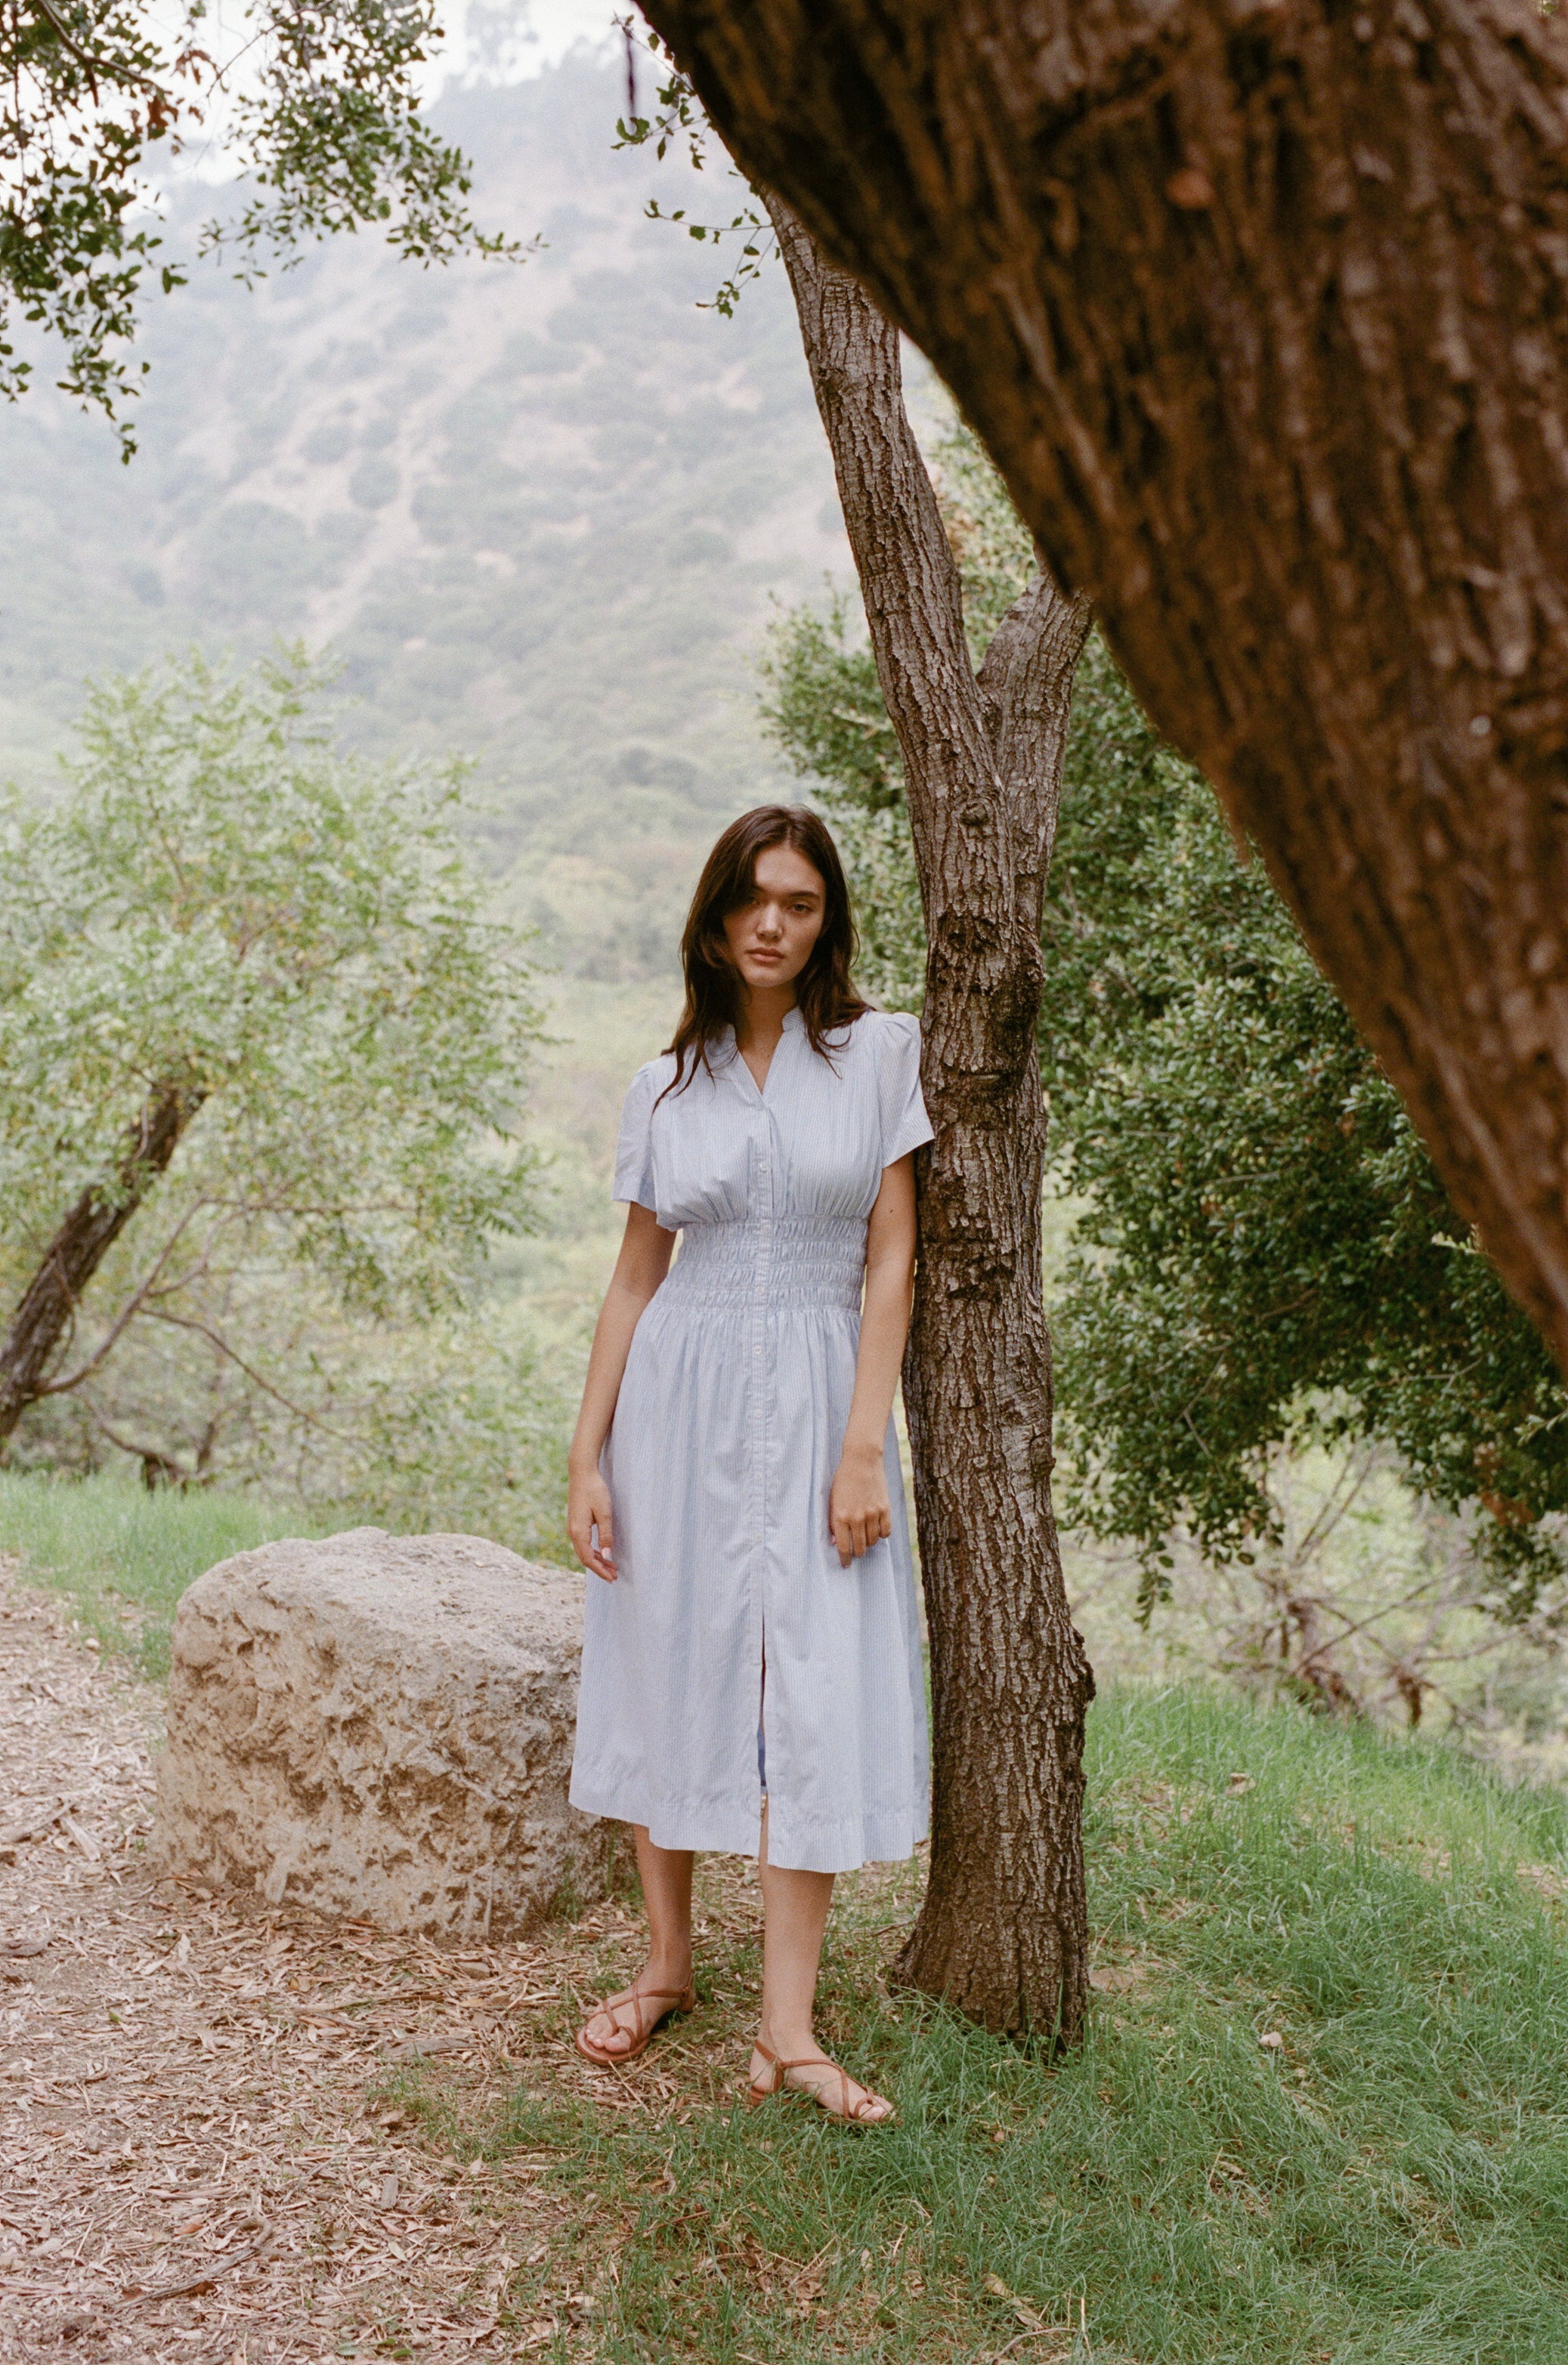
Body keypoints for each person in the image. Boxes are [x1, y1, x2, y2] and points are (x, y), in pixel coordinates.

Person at [565, 804, 932, 2125]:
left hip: (823, 1391)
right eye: (753, 900)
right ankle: (667, 1964)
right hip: (679, 1396)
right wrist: (588, 1453)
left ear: (828, 920)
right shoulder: (667, 1085)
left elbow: (893, 1253)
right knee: (670, 1657)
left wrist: (859, 1448)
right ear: (716, 918)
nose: (775, 924)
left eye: (802, 902)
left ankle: (788, 2025)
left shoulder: (881, 1053)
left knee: (808, 1694)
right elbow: (631, 1279)